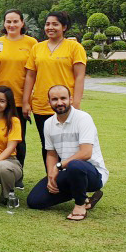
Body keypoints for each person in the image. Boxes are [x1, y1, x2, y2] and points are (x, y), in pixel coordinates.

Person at [26, 85, 108, 221]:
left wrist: (59, 166)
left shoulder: (83, 118)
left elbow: (86, 153)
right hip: (68, 171)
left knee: (75, 165)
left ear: (70, 99)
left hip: (92, 173)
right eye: (54, 99)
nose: (59, 103)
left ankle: (80, 205)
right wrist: (51, 174)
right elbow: (51, 153)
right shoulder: (48, 124)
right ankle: (84, 197)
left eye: (63, 98)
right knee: (35, 201)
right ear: (49, 102)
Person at [23, 11, 87, 164]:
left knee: (68, 145)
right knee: (47, 146)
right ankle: (52, 179)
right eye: (47, 24)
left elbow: (79, 76)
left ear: (64, 27)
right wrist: (26, 101)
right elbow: (30, 76)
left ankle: (68, 180)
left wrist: (75, 103)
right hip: (41, 105)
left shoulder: (74, 47)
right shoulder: (37, 48)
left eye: (55, 24)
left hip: (65, 105)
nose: (50, 27)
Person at [0, 9, 37, 168]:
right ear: (4, 23)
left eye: (15, 21)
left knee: (18, 137)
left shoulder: (31, 43)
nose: (12, 24)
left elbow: (32, 72)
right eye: (8, 21)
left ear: (22, 23)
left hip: (19, 97)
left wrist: (27, 101)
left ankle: (17, 173)